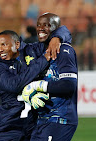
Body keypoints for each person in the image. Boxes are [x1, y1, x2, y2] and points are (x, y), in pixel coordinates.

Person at [0, 25, 70, 141]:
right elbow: (15, 85)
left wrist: (57, 38)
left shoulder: (32, 50)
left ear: (17, 45)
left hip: (35, 125)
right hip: (8, 125)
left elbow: (65, 31)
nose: (0, 49)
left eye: (4, 45)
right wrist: (42, 61)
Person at [22, 13, 78, 141]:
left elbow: (68, 85)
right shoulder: (38, 50)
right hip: (42, 119)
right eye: (38, 25)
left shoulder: (63, 51)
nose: (40, 28)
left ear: (56, 28)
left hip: (60, 119)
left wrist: (39, 86)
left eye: (47, 25)